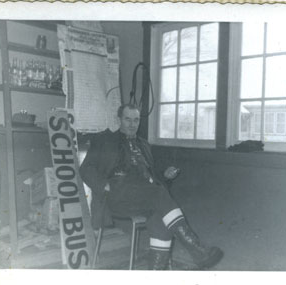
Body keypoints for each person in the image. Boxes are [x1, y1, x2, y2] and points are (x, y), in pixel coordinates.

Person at [79, 103, 223, 270]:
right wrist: (103, 185)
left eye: (136, 120)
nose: (132, 124)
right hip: (117, 196)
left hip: (143, 197)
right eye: (127, 119)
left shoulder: (144, 145)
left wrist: (164, 175)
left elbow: (151, 176)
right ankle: (197, 249)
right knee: (159, 195)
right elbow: (85, 169)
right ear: (119, 119)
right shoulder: (105, 141)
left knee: (160, 221)